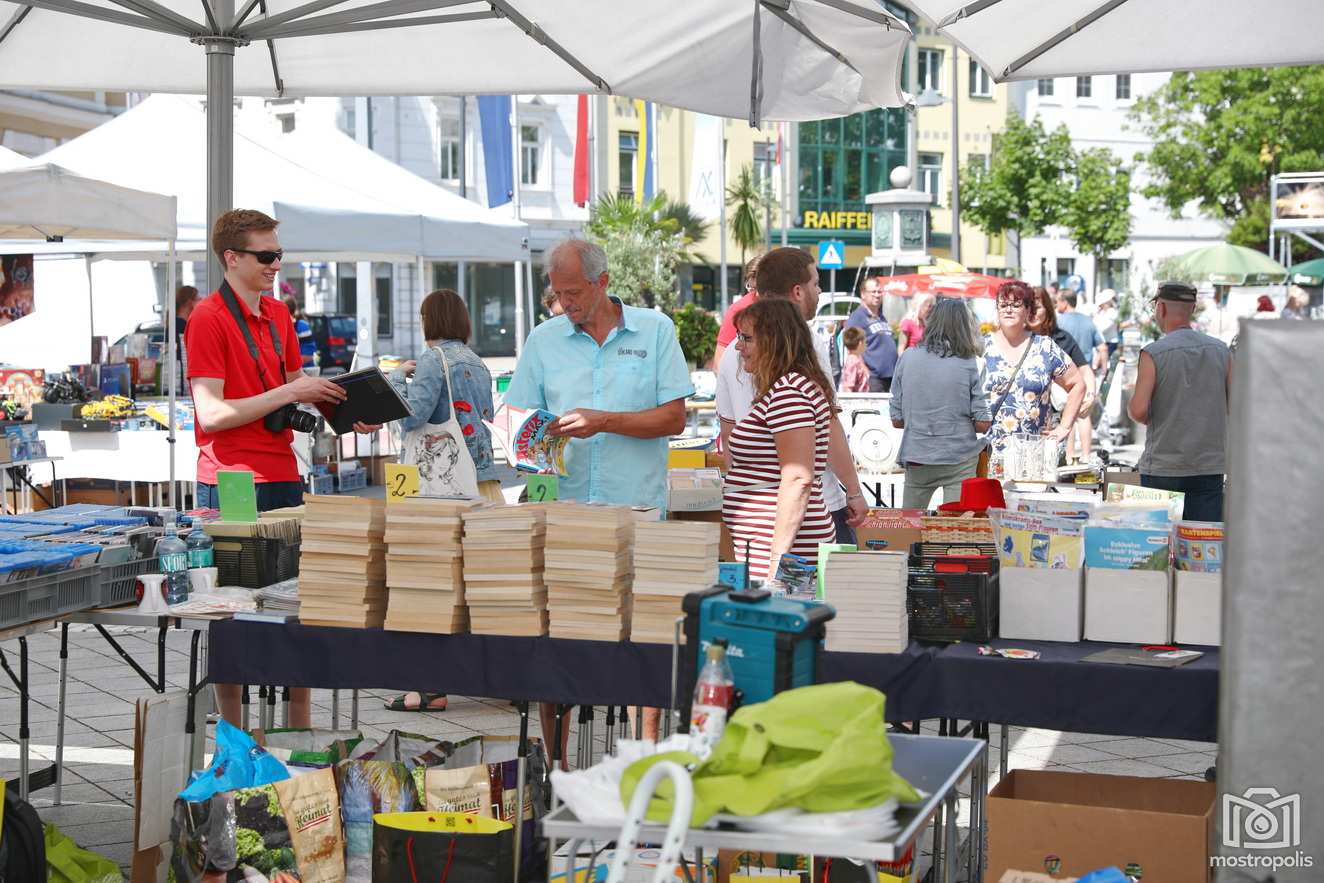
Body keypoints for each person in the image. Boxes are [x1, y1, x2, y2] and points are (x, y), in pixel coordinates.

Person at [185, 209, 379, 728]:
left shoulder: (279, 316)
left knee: (298, 607)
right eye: (265, 255)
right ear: (232, 258)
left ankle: (297, 734)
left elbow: (296, 385)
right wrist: (292, 390)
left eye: (278, 254)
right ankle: (233, 734)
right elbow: (212, 414)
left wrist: (346, 408)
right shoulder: (207, 318)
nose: (275, 264)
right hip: (230, 481)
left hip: (283, 473)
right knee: (231, 612)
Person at [504, 238, 693, 764]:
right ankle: (555, 764)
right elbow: (521, 420)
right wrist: (530, 442)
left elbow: (674, 419)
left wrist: (605, 420)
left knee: (642, 643)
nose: (566, 303)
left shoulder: (655, 331)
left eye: (574, 292)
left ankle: (642, 762)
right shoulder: (543, 340)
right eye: (558, 294)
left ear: (603, 281)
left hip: (637, 513)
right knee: (555, 641)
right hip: (564, 514)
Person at [381, 289, 499, 714]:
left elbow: (412, 415)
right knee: (480, 584)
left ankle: (428, 687)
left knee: (428, 583)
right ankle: (497, 677)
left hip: (438, 488)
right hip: (481, 481)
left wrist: (395, 377)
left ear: (429, 320)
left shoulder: (434, 360)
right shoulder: (477, 361)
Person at [716, 247, 868, 545]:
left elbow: (729, 435)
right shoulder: (807, 345)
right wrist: (853, 490)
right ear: (798, 291)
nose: (819, 291)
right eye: (816, 283)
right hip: (808, 509)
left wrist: (742, 495)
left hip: (763, 514)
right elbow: (829, 427)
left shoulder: (740, 354)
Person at [723, 297, 837, 582]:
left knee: (781, 621)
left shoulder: (789, 393)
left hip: (783, 548)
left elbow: (798, 479)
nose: (739, 347)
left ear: (773, 341)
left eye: (747, 339)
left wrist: (776, 561)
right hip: (777, 544)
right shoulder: (790, 388)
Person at [1127, 281, 1231, 522]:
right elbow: (1235, 403)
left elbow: (1139, 409)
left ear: (1160, 308)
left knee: (1160, 547)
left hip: (1163, 464)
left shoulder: (1153, 353)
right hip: (1208, 465)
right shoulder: (1222, 351)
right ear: (1192, 308)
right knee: (1202, 546)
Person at [889, 298, 991, 509]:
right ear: (966, 326)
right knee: (953, 530)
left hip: (917, 455)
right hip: (959, 457)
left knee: (910, 526)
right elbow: (983, 424)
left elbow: (897, 421)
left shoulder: (907, 358)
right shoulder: (972, 363)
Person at [983, 281, 1085, 463]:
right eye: (1003, 305)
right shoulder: (981, 347)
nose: (1008, 310)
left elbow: (1077, 384)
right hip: (988, 454)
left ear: (1028, 310)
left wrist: (1064, 427)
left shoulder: (1045, 347)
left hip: (1033, 457)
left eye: (1016, 305)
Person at [1032, 288, 1097, 463]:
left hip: (1052, 418)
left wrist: (1091, 395)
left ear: (1048, 309)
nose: (1031, 313)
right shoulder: (1016, 340)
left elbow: (1084, 369)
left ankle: (1078, 457)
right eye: (1027, 307)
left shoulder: (1059, 338)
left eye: (1036, 307)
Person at [845, 275, 899, 392]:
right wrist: (864, 369)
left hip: (889, 376)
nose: (877, 295)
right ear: (863, 294)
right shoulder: (857, 317)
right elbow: (851, 346)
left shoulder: (881, 317)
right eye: (873, 292)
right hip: (873, 378)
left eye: (879, 291)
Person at [712, 256, 762, 369]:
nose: (757, 294)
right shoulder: (738, 310)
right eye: (752, 288)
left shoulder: (785, 309)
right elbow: (719, 363)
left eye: (761, 288)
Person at [1055, 290, 1106, 372]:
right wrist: (1104, 372)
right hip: (1086, 373)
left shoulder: (1057, 322)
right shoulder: (1089, 321)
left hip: (1065, 376)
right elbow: (1103, 348)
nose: (1056, 305)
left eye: (1057, 301)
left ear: (1065, 303)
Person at [283, 295, 317, 368]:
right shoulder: (280, 326)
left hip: (305, 372)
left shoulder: (301, 326)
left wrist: (287, 367)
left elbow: (308, 356)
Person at [838, 326, 870, 393]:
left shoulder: (858, 359)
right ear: (860, 343)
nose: (866, 344)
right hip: (856, 401)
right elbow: (848, 386)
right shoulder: (852, 362)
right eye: (865, 342)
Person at [1093, 289, 1121, 358]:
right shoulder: (1101, 313)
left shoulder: (1112, 312)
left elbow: (1104, 328)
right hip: (1102, 341)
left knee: (1102, 361)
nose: (1100, 306)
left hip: (1110, 342)